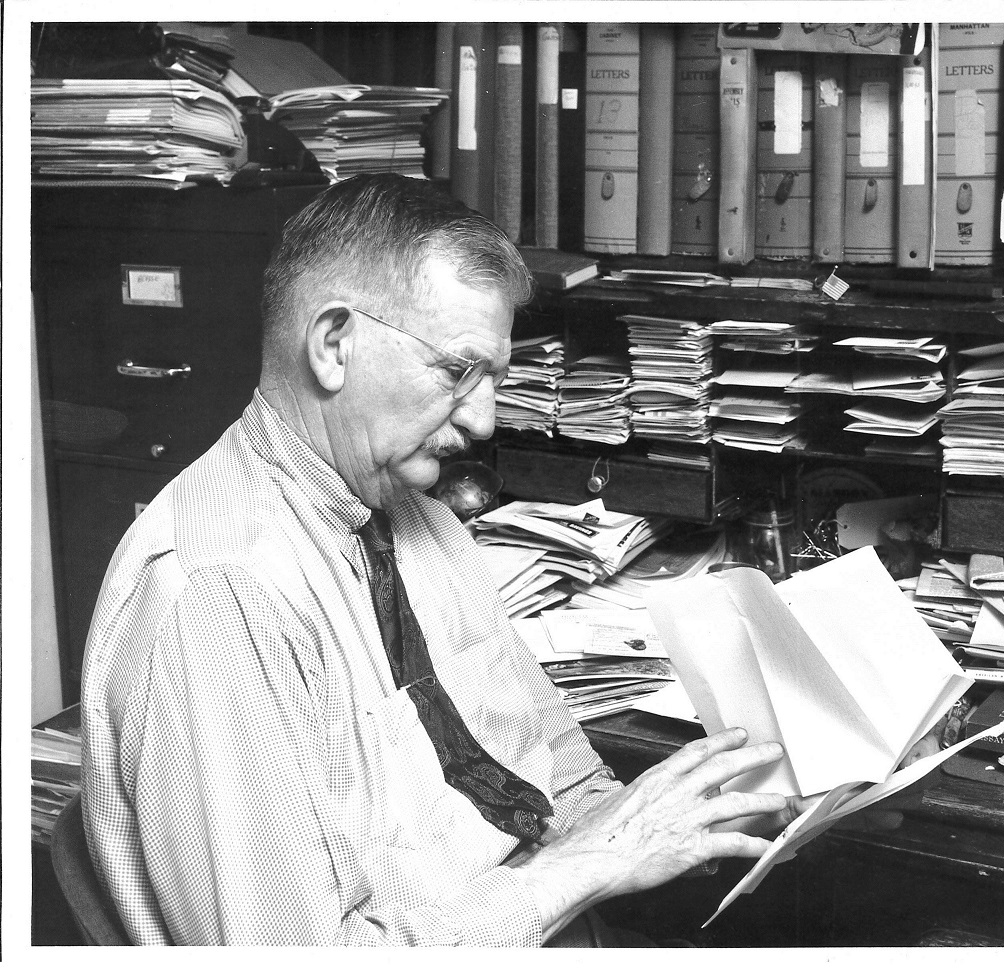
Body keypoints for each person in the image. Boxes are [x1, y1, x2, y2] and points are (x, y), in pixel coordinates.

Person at [80, 174, 806, 946]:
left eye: (495, 379)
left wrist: (704, 815)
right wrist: (589, 865)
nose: (484, 419)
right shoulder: (220, 594)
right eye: (458, 370)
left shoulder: (424, 521)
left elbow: (561, 779)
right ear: (333, 344)